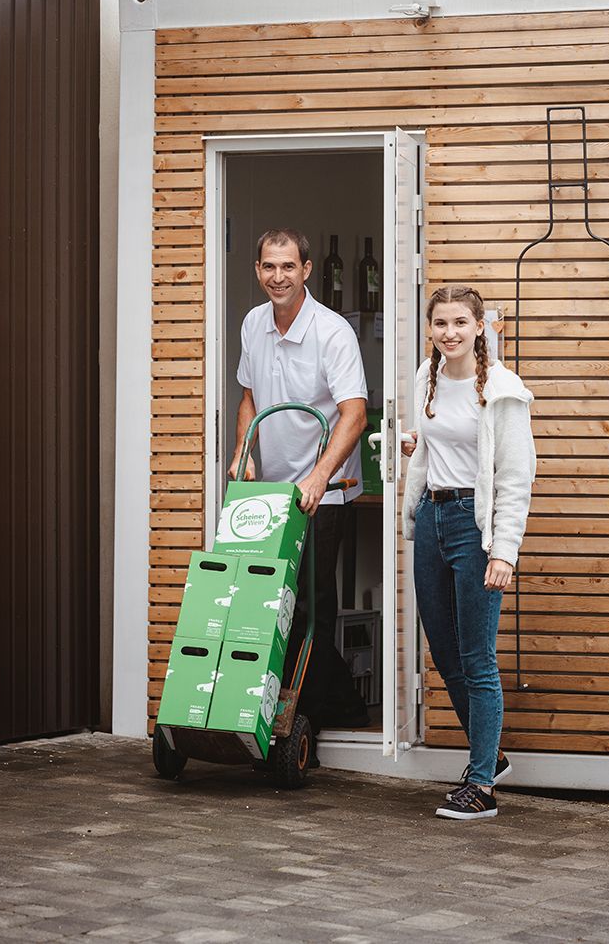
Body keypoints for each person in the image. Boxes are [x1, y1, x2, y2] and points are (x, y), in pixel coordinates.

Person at [402, 284, 535, 820]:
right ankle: (491, 755)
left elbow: (515, 476)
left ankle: (481, 785)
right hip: (432, 519)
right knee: (445, 652)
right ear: (430, 329)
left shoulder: (502, 391)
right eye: (440, 324)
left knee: (477, 657)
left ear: (481, 327)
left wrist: (504, 550)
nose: (449, 333)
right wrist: (417, 445)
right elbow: (438, 444)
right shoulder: (425, 377)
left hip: (473, 528)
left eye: (460, 322)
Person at [230, 228, 371, 730]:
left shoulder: (332, 331)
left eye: (288, 267)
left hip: (325, 493)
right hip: (270, 492)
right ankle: (327, 705)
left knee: (312, 604)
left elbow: (355, 414)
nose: (278, 276)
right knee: (272, 601)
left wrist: (318, 477)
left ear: (307, 270)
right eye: (269, 266)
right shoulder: (253, 323)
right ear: (258, 271)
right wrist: (244, 452)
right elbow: (248, 396)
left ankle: (306, 715)